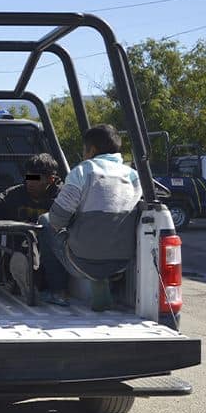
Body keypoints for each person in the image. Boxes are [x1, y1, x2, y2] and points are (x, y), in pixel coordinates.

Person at [38, 124, 143, 310]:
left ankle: (57, 291)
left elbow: (57, 220)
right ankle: (102, 283)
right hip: (122, 262)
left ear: (91, 150)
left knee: (45, 221)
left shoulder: (83, 171)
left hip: (82, 261)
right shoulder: (134, 176)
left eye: (84, 150)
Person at [0, 153, 70, 304]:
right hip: (20, 252)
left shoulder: (64, 197)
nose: (30, 183)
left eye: (36, 178)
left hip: (50, 260)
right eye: (29, 177)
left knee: (44, 233)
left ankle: (32, 284)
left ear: (51, 179)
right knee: (25, 239)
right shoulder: (16, 194)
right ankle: (24, 281)